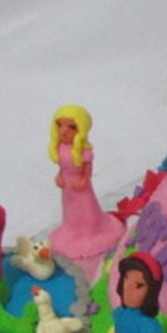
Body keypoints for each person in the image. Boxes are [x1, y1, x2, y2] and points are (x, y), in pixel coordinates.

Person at [48, 105, 122, 260]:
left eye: (71, 127)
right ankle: (72, 230)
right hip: (67, 186)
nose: (64, 131)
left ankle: (91, 232)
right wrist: (59, 175)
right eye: (60, 125)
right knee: (70, 210)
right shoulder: (60, 147)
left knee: (85, 208)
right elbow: (62, 166)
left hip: (80, 185)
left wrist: (84, 179)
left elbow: (87, 169)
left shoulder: (83, 151)